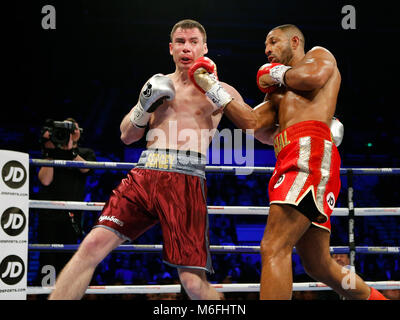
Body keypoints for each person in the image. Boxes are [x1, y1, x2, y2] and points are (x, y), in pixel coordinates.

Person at [48, 19, 253, 300]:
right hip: (144, 175)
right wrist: (144, 108)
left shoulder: (222, 91)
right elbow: (126, 136)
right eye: (180, 42)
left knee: (192, 283)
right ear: (171, 48)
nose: (186, 48)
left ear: (205, 48)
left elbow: (257, 129)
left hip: (186, 179)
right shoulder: (158, 84)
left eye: (194, 42)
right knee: (91, 246)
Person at [189, 24, 388, 300]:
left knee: (273, 246)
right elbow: (251, 123)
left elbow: (312, 77)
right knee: (319, 265)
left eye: (273, 42)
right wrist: (212, 86)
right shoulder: (278, 94)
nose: (267, 50)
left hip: (310, 154)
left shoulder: (319, 56)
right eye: (265, 46)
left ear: (295, 41)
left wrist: (273, 72)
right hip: (290, 158)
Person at [37, 118, 96, 281]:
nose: (69, 133)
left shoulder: (86, 153)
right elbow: (45, 180)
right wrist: (51, 151)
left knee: (68, 260)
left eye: (72, 129)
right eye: (64, 129)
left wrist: (70, 150)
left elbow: (86, 169)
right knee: (47, 261)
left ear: (79, 133)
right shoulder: (50, 152)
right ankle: (47, 295)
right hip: (49, 214)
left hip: (72, 215)